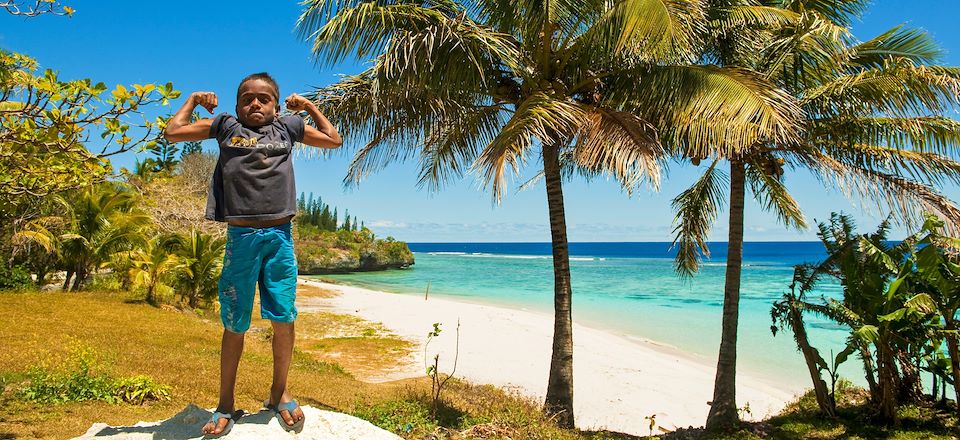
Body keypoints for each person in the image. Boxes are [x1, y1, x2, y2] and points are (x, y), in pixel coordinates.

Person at [164, 72, 342, 435]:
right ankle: (225, 404)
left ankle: (279, 394)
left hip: (280, 237)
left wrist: (307, 106)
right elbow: (173, 132)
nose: (255, 104)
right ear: (236, 105)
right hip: (241, 238)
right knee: (234, 322)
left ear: (276, 106)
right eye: (247, 99)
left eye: (263, 99)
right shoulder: (225, 126)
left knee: (283, 317)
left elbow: (333, 140)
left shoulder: (288, 128)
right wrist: (194, 99)